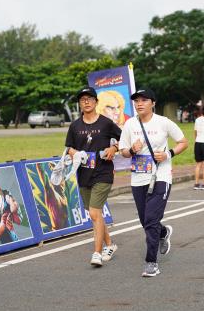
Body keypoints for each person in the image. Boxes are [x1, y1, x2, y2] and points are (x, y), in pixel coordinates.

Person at [119, 88, 188, 277]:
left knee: (150, 219)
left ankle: (151, 263)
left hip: (161, 176)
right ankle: (163, 233)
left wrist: (168, 154)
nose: (139, 103)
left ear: (153, 103)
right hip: (139, 177)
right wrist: (132, 150)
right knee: (145, 220)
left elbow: (183, 142)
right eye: (136, 100)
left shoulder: (163, 122)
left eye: (144, 100)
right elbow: (122, 151)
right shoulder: (129, 125)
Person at [65, 86, 122, 267]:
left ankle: (97, 253)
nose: (86, 102)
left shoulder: (106, 123)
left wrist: (113, 148)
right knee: (94, 214)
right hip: (83, 174)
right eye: (83, 100)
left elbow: (124, 139)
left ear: (96, 102)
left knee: (95, 212)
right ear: (80, 104)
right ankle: (110, 245)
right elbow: (68, 149)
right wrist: (74, 153)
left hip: (103, 173)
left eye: (90, 98)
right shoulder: (75, 126)